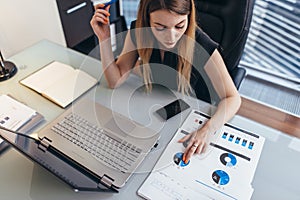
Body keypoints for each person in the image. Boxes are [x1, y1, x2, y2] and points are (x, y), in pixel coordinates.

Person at [90, 0, 241, 164]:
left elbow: (233, 98)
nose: (171, 37)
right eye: (160, 27)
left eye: (179, 26)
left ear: (189, 18)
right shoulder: (139, 32)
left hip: (189, 114)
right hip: (154, 108)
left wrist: (208, 129)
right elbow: (115, 81)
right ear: (147, 20)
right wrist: (104, 38)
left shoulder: (201, 44)